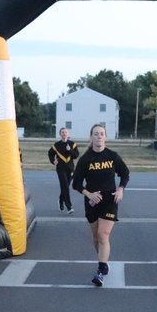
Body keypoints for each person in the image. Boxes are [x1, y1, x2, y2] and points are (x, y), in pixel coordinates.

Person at [71, 123, 130, 287]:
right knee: (96, 237)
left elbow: (125, 173)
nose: (99, 136)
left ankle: (100, 270)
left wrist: (120, 189)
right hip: (92, 201)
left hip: (110, 200)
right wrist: (88, 194)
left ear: (106, 137)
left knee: (104, 235)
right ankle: (103, 260)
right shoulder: (86, 159)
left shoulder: (112, 156)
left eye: (101, 134)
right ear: (91, 137)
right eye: (96, 134)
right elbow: (76, 183)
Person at [49, 127, 79, 213]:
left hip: (70, 168)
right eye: (62, 132)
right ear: (60, 134)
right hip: (60, 168)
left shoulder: (72, 144)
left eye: (66, 132)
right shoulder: (56, 145)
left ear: (68, 134)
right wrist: (53, 161)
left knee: (66, 186)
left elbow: (76, 156)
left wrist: (70, 150)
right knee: (65, 186)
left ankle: (61, 200)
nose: (64, 134)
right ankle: (69, 207)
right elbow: (50, 154)